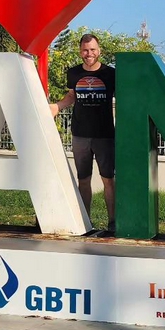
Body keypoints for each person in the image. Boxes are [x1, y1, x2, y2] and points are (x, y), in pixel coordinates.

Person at [49, 33, 116, 231]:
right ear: (80, 52)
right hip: (80, 134)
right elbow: (72, 96)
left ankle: (113, 222)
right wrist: (57, 107)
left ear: (99, 51)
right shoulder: (74, 73)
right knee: (83, 179)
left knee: (108, 180)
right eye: (86, 50)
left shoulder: (110, 75)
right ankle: (85, 222)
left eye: (93, 49)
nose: (89, 54)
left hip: (104, 134)